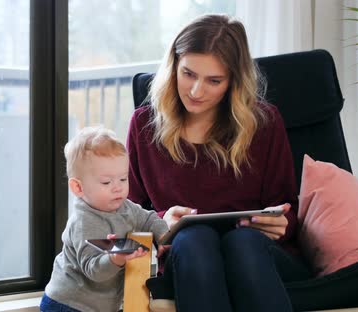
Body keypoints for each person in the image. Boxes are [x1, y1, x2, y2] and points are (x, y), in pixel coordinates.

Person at [126, 14, 312, 312]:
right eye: (188, 74)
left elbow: (286, 207)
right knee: (195, 238)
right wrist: (162, 221)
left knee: (242, 243)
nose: (196, 91)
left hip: (257, 257)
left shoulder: (263, 124)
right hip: (185, 257)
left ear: (233, 81)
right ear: (173, 65)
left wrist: (281, 223)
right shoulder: (144, 125)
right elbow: (128, 213)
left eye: (214, 81)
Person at [41, 126, 169, 312]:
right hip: (69, 304)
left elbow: (149, 218)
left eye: (123, 179)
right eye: (106, 182)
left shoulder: (125, 207)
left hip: (101, 305)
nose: (117, 188)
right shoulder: (84, 222)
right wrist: (116, 259)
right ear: (78, 188)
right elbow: (94, 270)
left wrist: (163, 235)